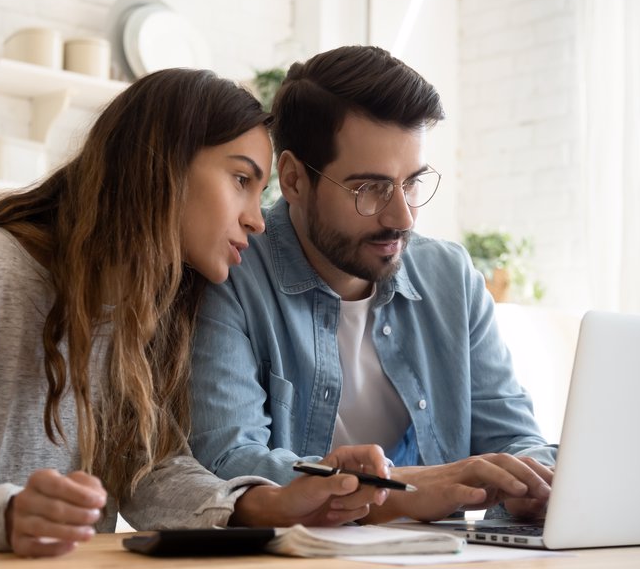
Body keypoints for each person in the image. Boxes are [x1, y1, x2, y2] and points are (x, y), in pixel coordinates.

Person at [0, 68, 392, 557]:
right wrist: (3, 516)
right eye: (241, 179)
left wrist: (268, 504)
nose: (257, 220)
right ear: (162, 166)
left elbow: (148, 473)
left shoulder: (149, 310)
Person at [189, 46, 557, 524]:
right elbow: (227, 461)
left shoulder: (451, 278)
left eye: (412, 183)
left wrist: (533, 483)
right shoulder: (229, 274)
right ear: (296, 180)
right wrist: (400, 492)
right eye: (371, 189)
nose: (402, 216)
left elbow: (514, 437)